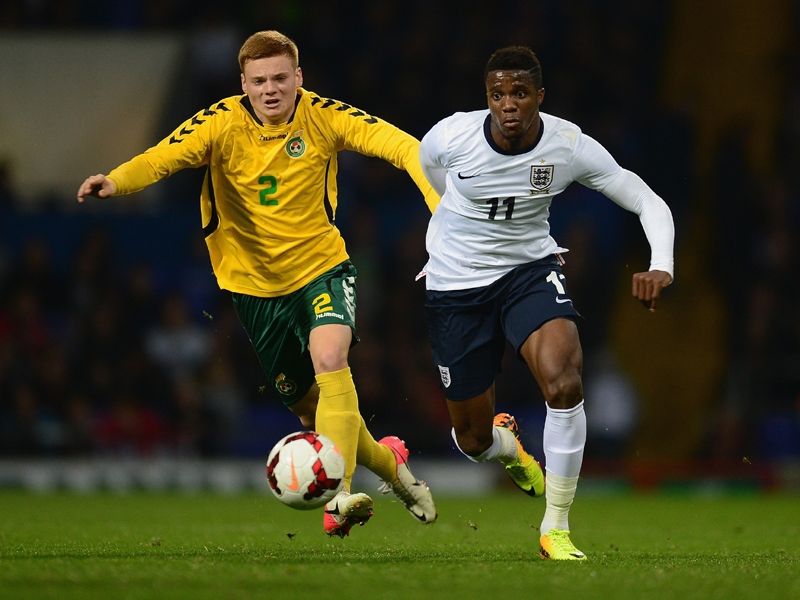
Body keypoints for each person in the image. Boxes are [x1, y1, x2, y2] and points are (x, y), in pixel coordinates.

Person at [77, 30, 438, 536]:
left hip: (321, 269)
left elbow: (405, 149)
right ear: (243, 83)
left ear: (299, 78)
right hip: (252, 288)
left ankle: (339, 499)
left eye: (281, 79)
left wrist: (438, 208)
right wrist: (115, 181)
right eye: (259, 81)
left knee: (331, 358)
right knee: (312, 409)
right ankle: (390, 467)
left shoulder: (326, 116)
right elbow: (162, 157)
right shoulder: (219, 123)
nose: (271, 90)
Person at [418, 46, 674, 560]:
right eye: (497, 94)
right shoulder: (451, 136)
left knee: (565, 379)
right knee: (471, 440)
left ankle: (555, 527)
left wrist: (661, 263)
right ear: (486, 98)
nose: (508, 104)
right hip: (455, 284)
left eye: (519, 93)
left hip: (528, 271)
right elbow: (434, 177)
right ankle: (507, 447)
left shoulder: (567, 144)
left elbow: (645, 198)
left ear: (539, 96)